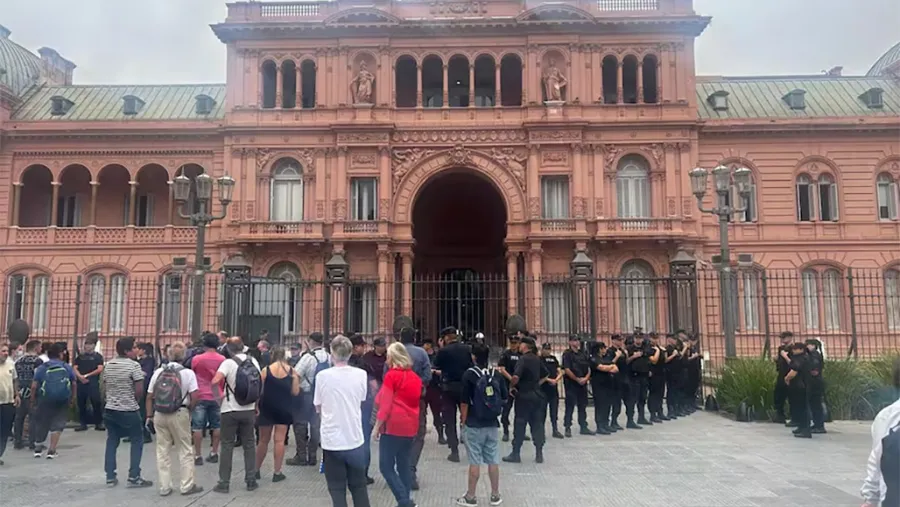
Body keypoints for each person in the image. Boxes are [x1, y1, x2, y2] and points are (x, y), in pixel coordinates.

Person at [315, 335, 371, 507]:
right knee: (359, 486)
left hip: (332, 440)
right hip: (354, 437)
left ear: (332, 353)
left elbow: (318, 406)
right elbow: (362, 398)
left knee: (337, 488)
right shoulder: (361, 374)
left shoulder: (322, 376)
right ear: (350, 353)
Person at [146, 342, 203, 496]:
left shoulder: (158, 372)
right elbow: (195, 395)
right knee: (184, 449)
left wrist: (149, 415)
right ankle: (186, 485)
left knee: (162, 450)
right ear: (184, 356)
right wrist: (189, 410)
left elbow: (149, 396)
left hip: (159, 413)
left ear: (168, 355)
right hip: (179, 412)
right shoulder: (188, 373)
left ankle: (165, 486)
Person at [457, 341, 507, 507]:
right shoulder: (496, 374)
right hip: (492, 423)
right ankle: (495, 494)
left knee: (474, 461)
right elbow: (504, 398)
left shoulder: (469, 374)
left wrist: (463, 422)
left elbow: (464, 402)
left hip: (474, 422)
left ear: (473, 356)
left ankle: (471, 496)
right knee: (493, 460)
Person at [374, 342, 423, 507]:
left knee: (386, 466)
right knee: (403, 464)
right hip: (410, 425)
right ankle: (406, 497)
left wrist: (376, 427)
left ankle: (404, 501)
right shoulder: (415, 377)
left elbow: (386, 405)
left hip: (392, 425)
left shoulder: (391, 376)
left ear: (392, 357)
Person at [211, 337, 261, 493]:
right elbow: (258, 384)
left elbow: (215, 381)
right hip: (249, 409)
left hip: (230, 409)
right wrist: (256, 405)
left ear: (229, 349)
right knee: (249, 444)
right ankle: (251, 480)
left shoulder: (228, 363)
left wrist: (219, 398)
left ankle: (224, 482)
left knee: (227, 445)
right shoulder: (253, 362)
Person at [101, 337, 153, 487]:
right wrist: (134, 401)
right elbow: (139, 390)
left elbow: (104, 387)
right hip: (129, 409)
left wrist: (110, 400)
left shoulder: (109, 365)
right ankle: (134, 476)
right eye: (134, 347)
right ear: (127, 351)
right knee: (137, 440)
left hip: (111, 408)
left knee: (112, 440)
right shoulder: (134, 366)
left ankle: (110, 476)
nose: (137, 350)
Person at [394, 327, 432, 491]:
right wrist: (416, 384)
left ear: (400, 337)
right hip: (416, 399)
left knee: (398, 434)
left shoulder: (394, 351)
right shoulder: (421, 353)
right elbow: (428, 375)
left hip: (397, 400)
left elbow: (385, 375)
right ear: (415, 337)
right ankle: (410, 469)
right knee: (418, 434)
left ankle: (401, 469)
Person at [255, 346, 300, 483]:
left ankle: (256, 470)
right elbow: (295, 392)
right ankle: (277, 472)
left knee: (263, 440)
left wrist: (256, 406)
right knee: (279, 441)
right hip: (284, 408)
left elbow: (259, 391)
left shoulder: (265, 370)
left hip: (267, 407)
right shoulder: (292, 371)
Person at [861, 357, 900, 507]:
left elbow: (877, 459)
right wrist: (871, 497)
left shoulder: (888, 416)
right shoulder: (889, 416)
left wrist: (871, 497)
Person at [288, 331, 330, 467]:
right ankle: (313, 456)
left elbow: (296, 374)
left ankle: (301, 456)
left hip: (305, 395)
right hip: (321, 397)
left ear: (311, 341)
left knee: (300, 424)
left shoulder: (307, 357)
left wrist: (293, 391)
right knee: (315, 425)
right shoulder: (328, 357)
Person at [503, 336, 547, 464]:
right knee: (537, 424)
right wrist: (536, 384)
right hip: (537, 395)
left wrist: (512, 386)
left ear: (526, 346)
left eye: (521, 344)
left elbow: (516, 376)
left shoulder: (523, 359)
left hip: (524, 395)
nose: (519, 346)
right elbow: (546, 375)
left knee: (520, 423)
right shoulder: (537, 359)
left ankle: (516, 453)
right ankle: (539, 453)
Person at [434, 326, 473, 463]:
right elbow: (471, 366)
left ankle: (454, 451)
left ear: (445, 338)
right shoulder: (467, 349)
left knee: (449, 420)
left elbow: (436, 366)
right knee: (466, 417)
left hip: (448, 388)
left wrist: (440, 348)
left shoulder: (443, 351)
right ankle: (471, 448)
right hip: (464, 388)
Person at [30, 342, 76, 460]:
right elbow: (74, 383)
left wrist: (32, 400)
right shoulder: (66, 367)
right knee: (58, 424)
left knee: (42, 422)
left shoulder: (42, 368)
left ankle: (38, 449)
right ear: (60, 354)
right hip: (62, 399)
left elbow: (34, 386)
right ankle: (51, 450)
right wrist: (72, 398)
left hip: (44, 399)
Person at [187, 332, 225, 465]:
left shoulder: (197, 359)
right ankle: (214, 452)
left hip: (200, 394)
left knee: (197, 426)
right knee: (217, 425)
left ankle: (197, 455)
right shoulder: (222, 360)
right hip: (216, 395)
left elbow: (193, 374)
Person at [348, 334, 378, 485]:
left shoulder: (342, 363)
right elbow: (373, 387)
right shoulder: (363, 364)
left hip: (347, 406)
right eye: (362, 346)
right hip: (363, 406)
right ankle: (363, 474)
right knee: (364, 440)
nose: (364, 348)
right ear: (355, 347)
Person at [13, 339, 42, 450]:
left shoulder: (19, 361)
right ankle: (32, 441)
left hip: (20, 392)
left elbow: (15, 377)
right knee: (33, 417)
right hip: (32, 392)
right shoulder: (37, 361)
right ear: (35, 348)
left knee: (19, 418)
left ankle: (18, 441)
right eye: (40, 347)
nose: (41, 349)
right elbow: (37, 377)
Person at [561, 335, 593, 437]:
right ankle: (567, 427)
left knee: (582, 406)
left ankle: (583, 426)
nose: (577, 342)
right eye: (574, 340)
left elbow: (588, 368)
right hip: (571, 383)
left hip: (582, 383)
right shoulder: (567, 354)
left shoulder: (582, 354)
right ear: (570, 342)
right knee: (570, 406)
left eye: (578, 340)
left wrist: (586, 378)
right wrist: (576, 379)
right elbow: (567, 369)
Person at [73, 332, 105, 432]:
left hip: (92, 382)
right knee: (81, 403)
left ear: (94, 346)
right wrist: (80, 376)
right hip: (81, 382)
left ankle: (98, 423)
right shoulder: (80, 357)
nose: (87, 346)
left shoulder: (98, 357)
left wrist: (87, 375)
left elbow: (100, 369)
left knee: (96, 402)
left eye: (89, 344)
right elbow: (75, 367)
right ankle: (82, 423)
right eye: (86, 344)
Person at [589, 341, 619, 435]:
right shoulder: (593, 359)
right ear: (599, 349)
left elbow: (616, 368)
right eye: (603, 348)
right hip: (598, 386)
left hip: (608, 385)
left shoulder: (606, 358)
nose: (605, 350)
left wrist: (608, 367)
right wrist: (609, 367)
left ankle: (606, 423)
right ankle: (600, 425)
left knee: (607, 405)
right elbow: (601, 368)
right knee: (600, 406)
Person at [497, 333, 521, 442]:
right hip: (508, 385)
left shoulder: (522, 355)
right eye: (512, 343)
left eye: (515, 343)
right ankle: (506, 431)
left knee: (521, 411)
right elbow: (502, 368)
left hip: (520, 385)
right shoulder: (506, 354)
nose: (513, 345)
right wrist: (511, 379)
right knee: (506, 410)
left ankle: (520, 432)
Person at [785, 342, 812, 439]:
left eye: (795, 349)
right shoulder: (804, 357)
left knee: (802, 408)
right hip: (801, 385)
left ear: (801, 349)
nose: (793, 350)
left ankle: (805, 429)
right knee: (800, 408)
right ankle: (801, 427)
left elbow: (794, 371)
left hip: (800, 386)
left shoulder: (801, 358)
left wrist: (787, 378)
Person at [539, 343, 564, 439]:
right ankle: (541, 431)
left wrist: (556, 379)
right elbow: (539, 374)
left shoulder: (553, 359)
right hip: (543, 389)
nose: (547, 351)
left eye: (548, 349)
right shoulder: (539, 359)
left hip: (553, 389)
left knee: (554, 411)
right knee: (542, 412)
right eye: (545, 349)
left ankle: (555, 430)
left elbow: (560, 371)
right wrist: (549, 380)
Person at [422, 338, 445, 444]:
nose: (425, 346)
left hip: (435, 387)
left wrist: (435, 371)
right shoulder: (421, 356)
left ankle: (441, 435)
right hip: (423, 387)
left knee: (437, 412)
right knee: (422, 413)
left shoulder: (436, 356)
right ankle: (420, 435)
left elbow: (442, 369)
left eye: (426, 344)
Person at [0, 343, 20, 465]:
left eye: (7, 351)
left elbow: (15, 380)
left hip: (8, 402)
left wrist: (17, 394)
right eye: (3, 351)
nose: (6, 353)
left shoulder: (11, 364)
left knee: (5, 429)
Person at [805, 339, 827, 434]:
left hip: (815, 383)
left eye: (808, 345)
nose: (807, 347)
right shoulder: (813, 355)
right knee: (814, 405)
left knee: (816, 405)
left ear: (813, 346)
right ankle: (817, 424)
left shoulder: (814, 355)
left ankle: (819, 425)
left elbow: (814, 370)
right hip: (814, 383)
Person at [773, 331, 794, 424]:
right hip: (781, 374)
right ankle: (780, 415)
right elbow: (779, 361)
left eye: (784, 337)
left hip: (791, 374)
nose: (782, 340)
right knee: (779, 394)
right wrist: (777, 359)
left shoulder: (795, 349)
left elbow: (794, 363)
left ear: (790, 338)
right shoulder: (781, 348)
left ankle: (794, 417)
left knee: (792, 396)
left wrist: (785, 356)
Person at [647, 332, 667, 423]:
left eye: (656, 338)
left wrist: (663, 351)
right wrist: (658, 351)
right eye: (653, 338)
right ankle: (652, 414)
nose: (655, 340)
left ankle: (660, 412)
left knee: (660, 393)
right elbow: (654, 361)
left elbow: (665, 360)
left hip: (661, 373)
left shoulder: (659, 347)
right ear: (650, 338)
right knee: (653, 394)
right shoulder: (648, 348)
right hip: (653, 374)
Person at [664, 334, 683, 419]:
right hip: (670, 373)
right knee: (671, 391)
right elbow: (666, 360)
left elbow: (680, 357)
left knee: (676, 391)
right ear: (669, 339)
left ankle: (676, 408)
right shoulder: (667, 349)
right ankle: (670, 410)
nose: (675, 341)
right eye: (673, 339)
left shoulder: (676, 348)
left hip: (677, 372)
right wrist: (673, 355)